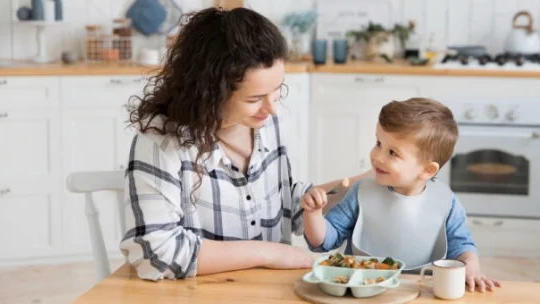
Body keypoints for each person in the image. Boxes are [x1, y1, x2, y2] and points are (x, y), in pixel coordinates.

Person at [120, 7, 368, 281]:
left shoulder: (266, 123)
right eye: (254, 99)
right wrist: (270, 253)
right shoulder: (162, 142)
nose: (272, 109)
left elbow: (285, 204)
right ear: (209, 93)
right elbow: (155, 252)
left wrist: (366, 182)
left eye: (277, 92)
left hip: (268, 291)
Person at [301, 98, 501, 292]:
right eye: (378, 143)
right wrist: (314, 214)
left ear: (427, 171)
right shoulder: (360, 193)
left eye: (393, 153)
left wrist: (471, 265)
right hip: (363, 290)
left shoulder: (446, 202)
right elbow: (324, 241)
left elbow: (461, 246)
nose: (377, 157)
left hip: (422, 289)